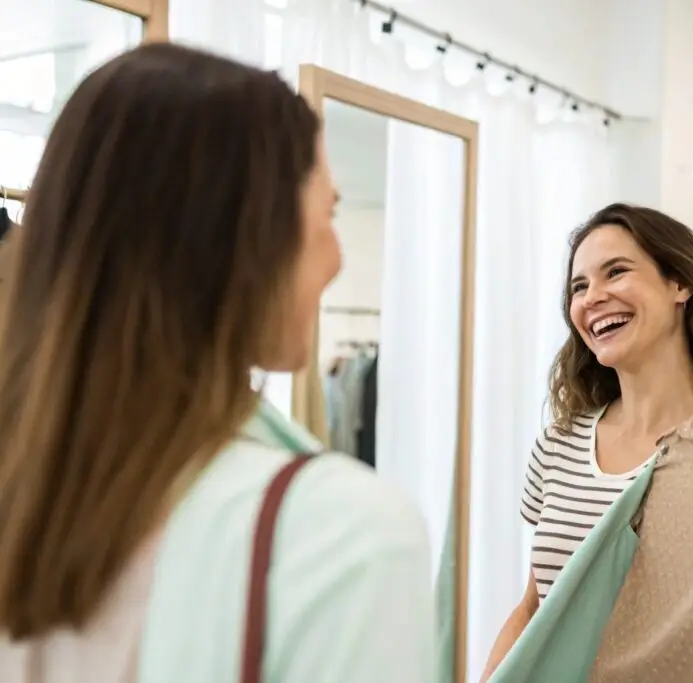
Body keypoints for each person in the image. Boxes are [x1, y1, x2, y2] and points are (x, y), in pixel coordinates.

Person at [0, 44, 434, 682]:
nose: (338, 257)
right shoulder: (337, 537)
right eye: (328, 214)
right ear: (244, 239)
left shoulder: (30, 497)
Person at [480, 203, 693, 680]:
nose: (591, 298)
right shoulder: (560, 444)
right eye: (579, 287)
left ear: (679, 283)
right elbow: (536, 608)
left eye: (615, 272)